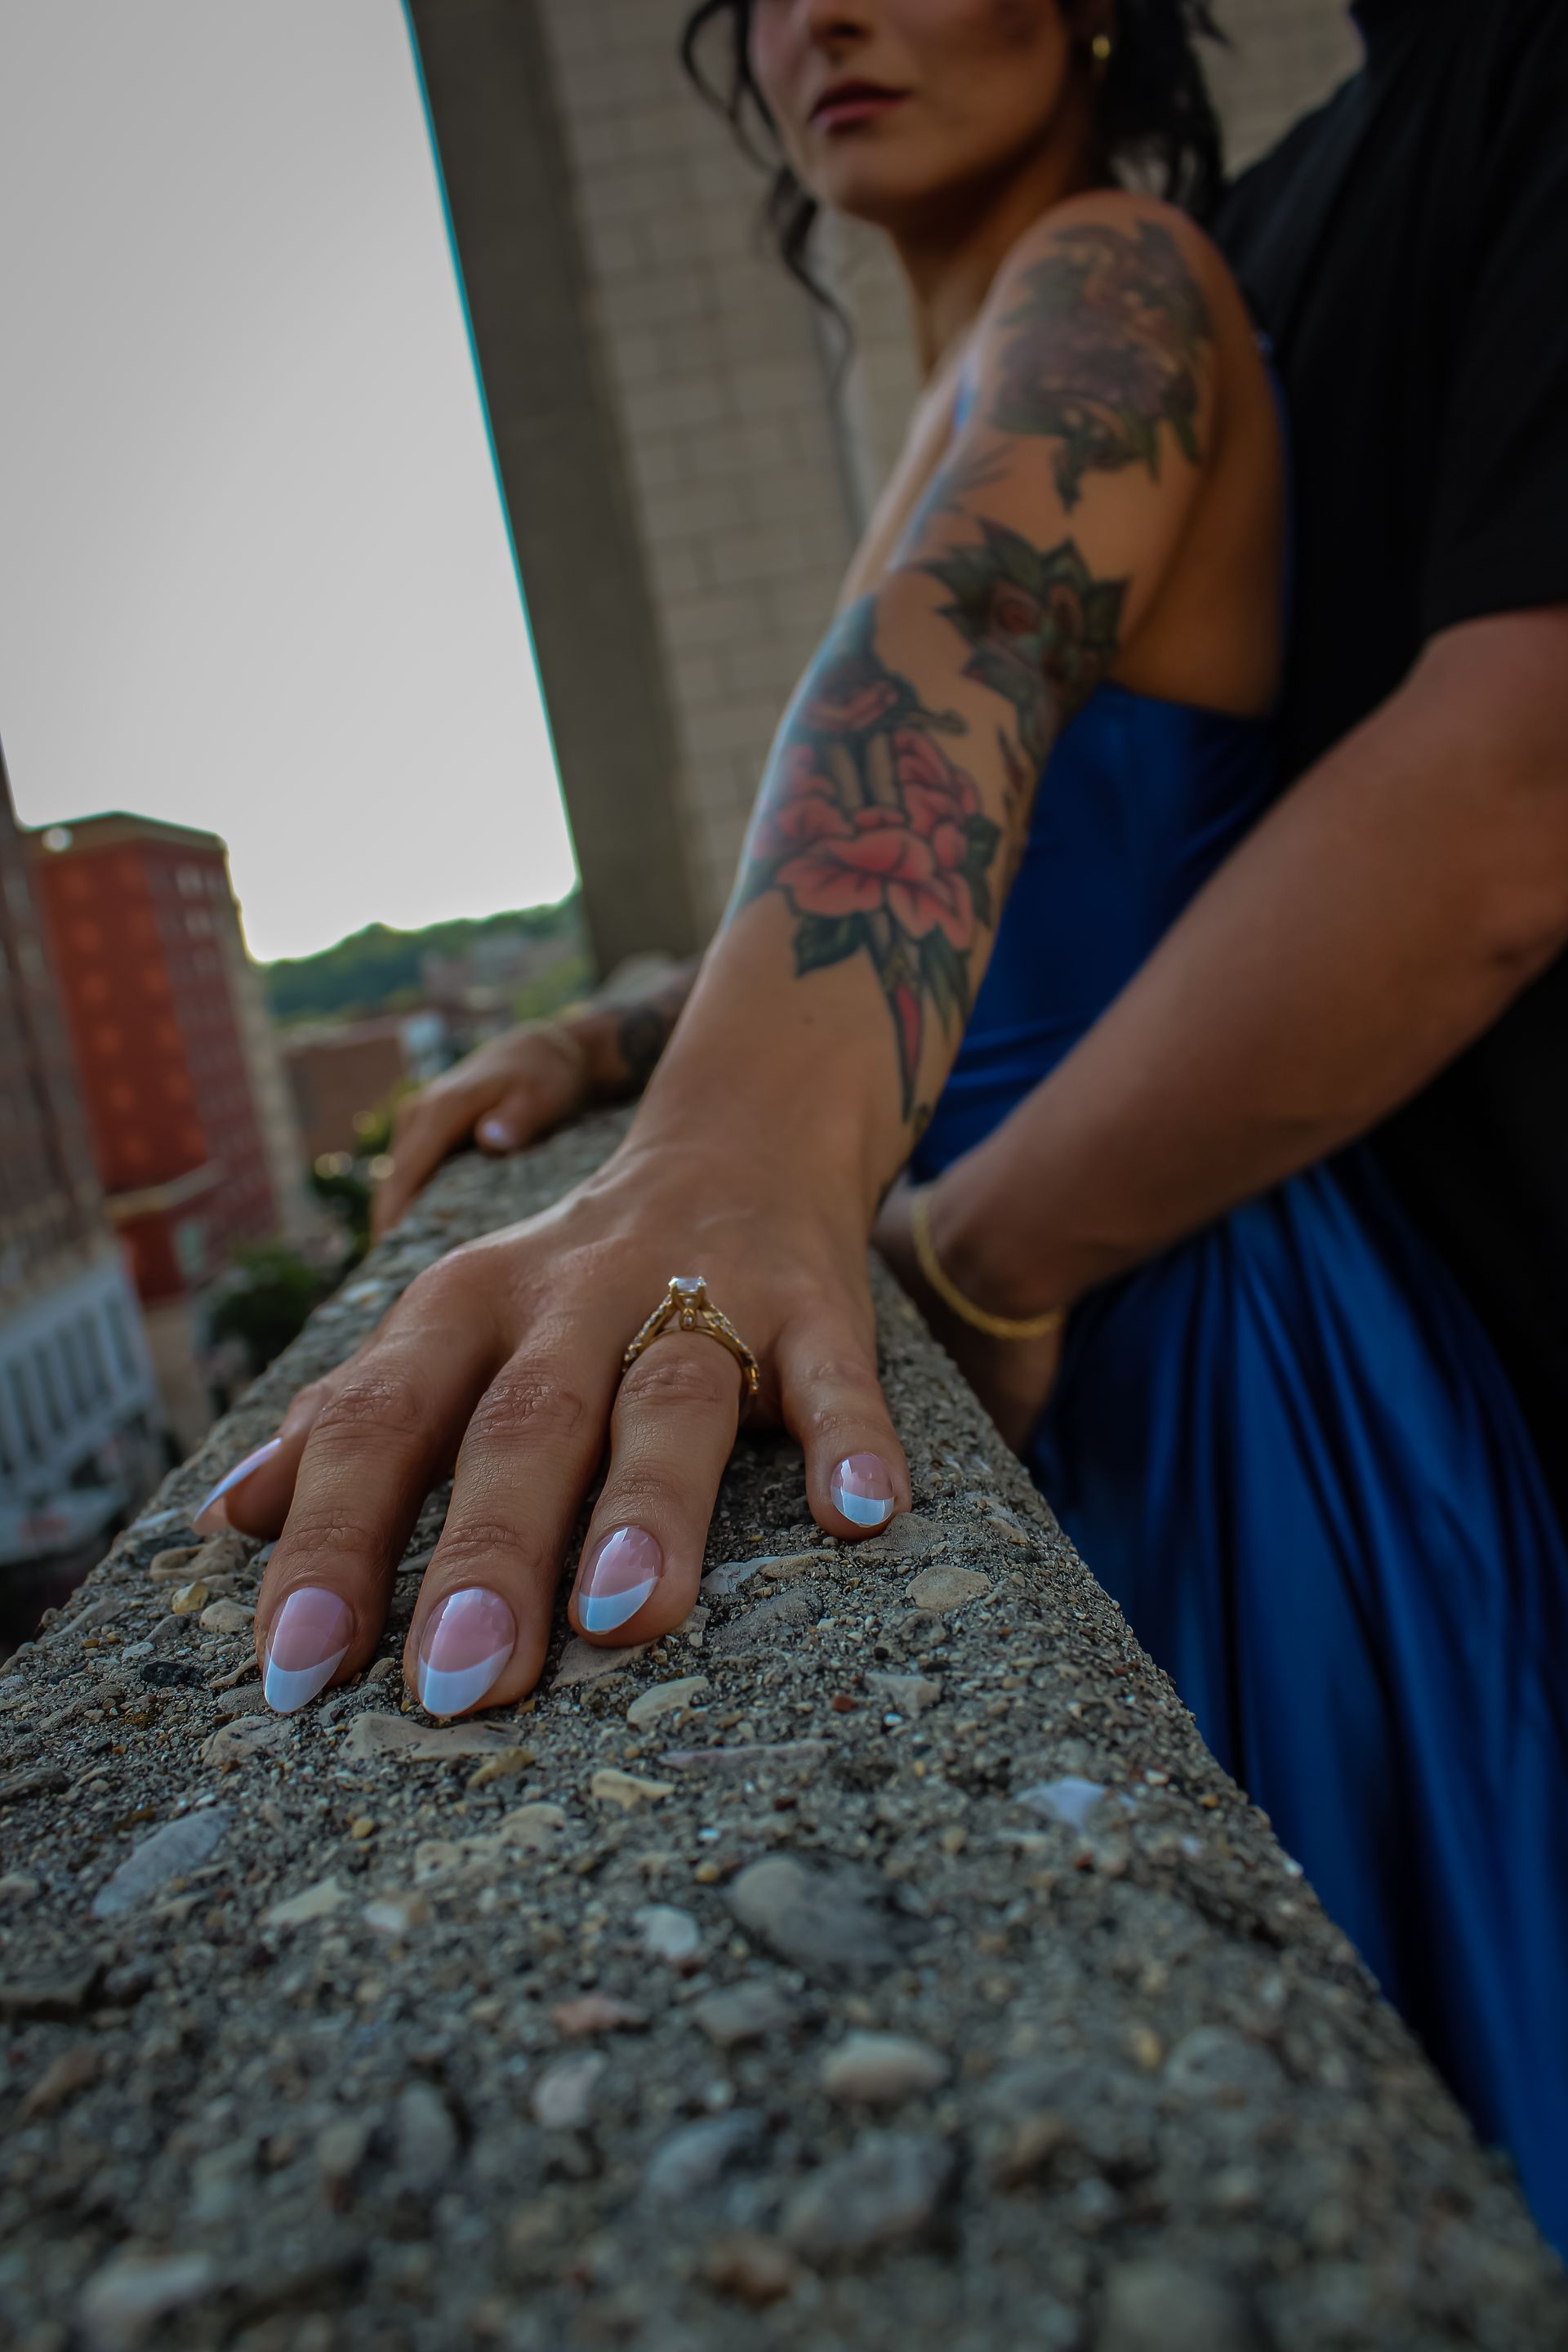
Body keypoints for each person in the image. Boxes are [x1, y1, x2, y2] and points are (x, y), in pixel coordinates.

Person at [202, 2, 1568, 2245]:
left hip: (1197, 1322)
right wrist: (628, 1036)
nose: (822, 8)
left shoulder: (1114, 283)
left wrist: (732, 1154)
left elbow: (952, 681)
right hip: (1031, 1254)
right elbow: (994, 859)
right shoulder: (982, 371)